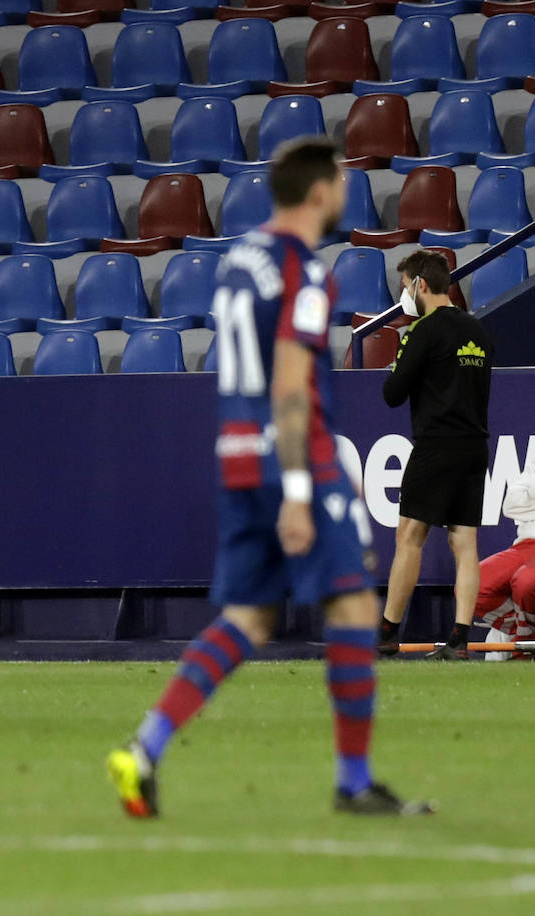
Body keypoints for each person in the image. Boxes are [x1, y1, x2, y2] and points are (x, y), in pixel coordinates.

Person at [106, 138, 433, 817]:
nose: (348, 194)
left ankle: (145, 749)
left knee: (250, 618)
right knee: (351, 606)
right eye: (343, 184)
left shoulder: (240, 259)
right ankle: (353, 782)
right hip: (295, 457)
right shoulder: (304, 272)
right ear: (319, 194)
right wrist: (296, 490)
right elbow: (289, 381)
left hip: (236, 451)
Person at [376, 250, 493, 661]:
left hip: (436, 445)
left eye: (405, 285)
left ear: (420, 285)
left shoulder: (420, 332)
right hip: (475, 447)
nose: (404, 293)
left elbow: (393, 393)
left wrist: (400, 357)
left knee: (409, 535)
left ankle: (387, 633)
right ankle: (460, 639)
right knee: (465, 541)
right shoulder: (478, 330)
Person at [471, 465, 535, 657]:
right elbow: (510, 505)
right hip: (526, 543)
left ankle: (523, 646)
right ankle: (525, 633)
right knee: (472, 584)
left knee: (526, 581)